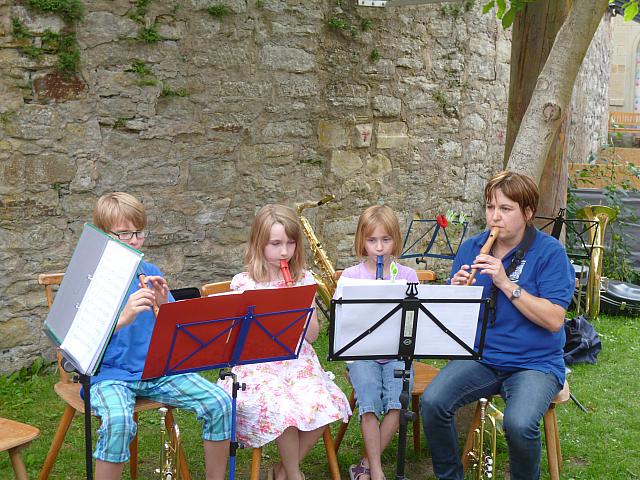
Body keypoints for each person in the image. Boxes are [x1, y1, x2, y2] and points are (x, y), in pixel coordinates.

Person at [420, 171, 575, 480]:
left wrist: (506, 283)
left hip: (535, 363)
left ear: (527, 213)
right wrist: (457, 294)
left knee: (518, 424)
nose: (495, 217)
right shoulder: (472, 248)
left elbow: (554, 319)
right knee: (432, 402)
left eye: (505, 209)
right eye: (491, 207)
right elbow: (453, 324)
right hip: (483, 358)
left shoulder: (550, 253)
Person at [90, 192, 232, 480]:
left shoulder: (150, 271)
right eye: (123, 234)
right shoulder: (93, 278)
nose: (133, 241)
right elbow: (78, 341)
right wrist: (123, 318)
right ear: (103, 236)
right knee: (119, 422)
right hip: (109, 374)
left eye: (139, 233)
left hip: (156, 368)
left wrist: (163, 304)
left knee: (220, 402)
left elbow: (177, 330)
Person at [218, 204, 351, 480]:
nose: (284, 252)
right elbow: (236, 340)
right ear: (259, 244)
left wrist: (302, 304)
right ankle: (293, 474)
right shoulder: (244, 283)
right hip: (256, 366)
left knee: (329, 402)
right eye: (276, 244)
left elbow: (312, 336)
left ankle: (282, 470)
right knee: (283, 408)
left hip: (297, 361)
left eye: (290, 243)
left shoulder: (304, 279)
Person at [338, 204, 419, 480]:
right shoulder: (350, 277)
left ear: (395, 239)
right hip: (362, 354)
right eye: (372, 240)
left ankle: (364, 465)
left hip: (398, 353)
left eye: (386, 240)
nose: (380, 247)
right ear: (362, 241)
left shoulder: (407, 277)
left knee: (398, 403)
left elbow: (414, 324)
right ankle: (377, 470)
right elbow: (343, 325)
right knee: (369, 403)